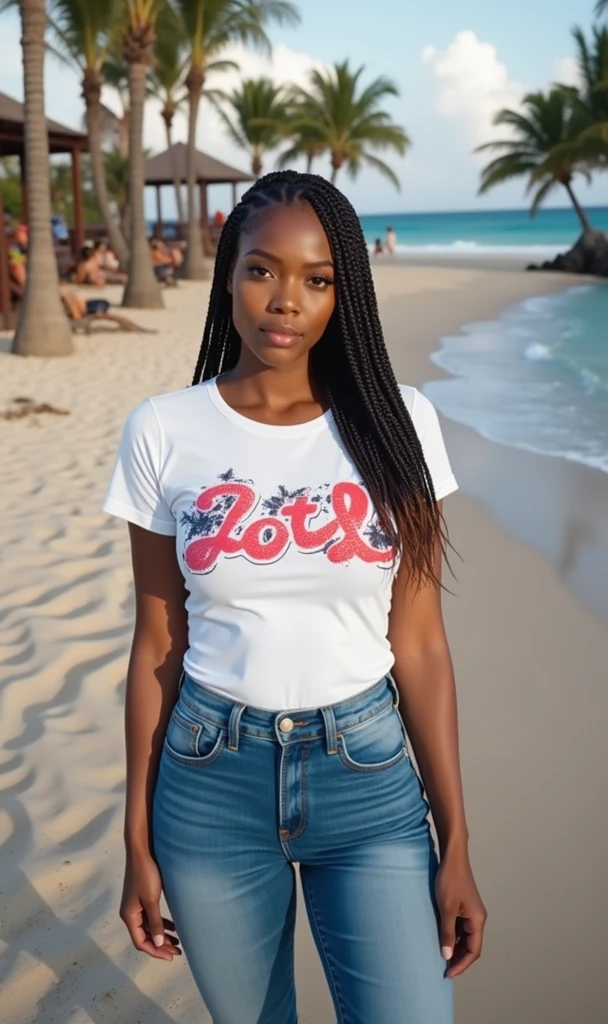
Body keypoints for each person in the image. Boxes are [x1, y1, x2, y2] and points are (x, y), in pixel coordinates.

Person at [102, 171, 486, 1024]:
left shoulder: (399, 422)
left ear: (342, 295)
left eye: (317, 280)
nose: (287, 301)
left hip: (369, 778)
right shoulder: (165, 429)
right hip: (209, 781)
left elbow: (419, 641)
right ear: (226, 276)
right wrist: (135, 837)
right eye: (261, 271)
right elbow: (156, 645)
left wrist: (456, 839)